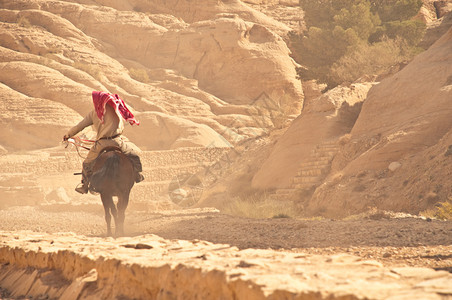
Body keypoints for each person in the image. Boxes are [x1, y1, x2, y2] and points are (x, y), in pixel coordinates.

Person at [63, 91, 144, 194]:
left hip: (101, 144)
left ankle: (85, 185)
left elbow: (80, 126)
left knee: (87, 163)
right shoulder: (117, 110)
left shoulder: (94, 113)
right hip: (118, 142)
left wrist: (68, 135)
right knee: (134, 156)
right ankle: (137, 175)